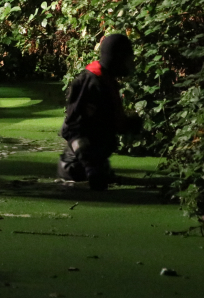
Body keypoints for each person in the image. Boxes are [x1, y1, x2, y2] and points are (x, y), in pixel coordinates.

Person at [57, 33, 142, 190]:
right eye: (127, 58)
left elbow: (102, 123)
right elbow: (73, 129)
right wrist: (92, 170)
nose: (130, 62)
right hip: (77, 170)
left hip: (96, 167)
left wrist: (130, 124)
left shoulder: (105, 79)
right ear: (116, 58)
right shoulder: (90, 82)